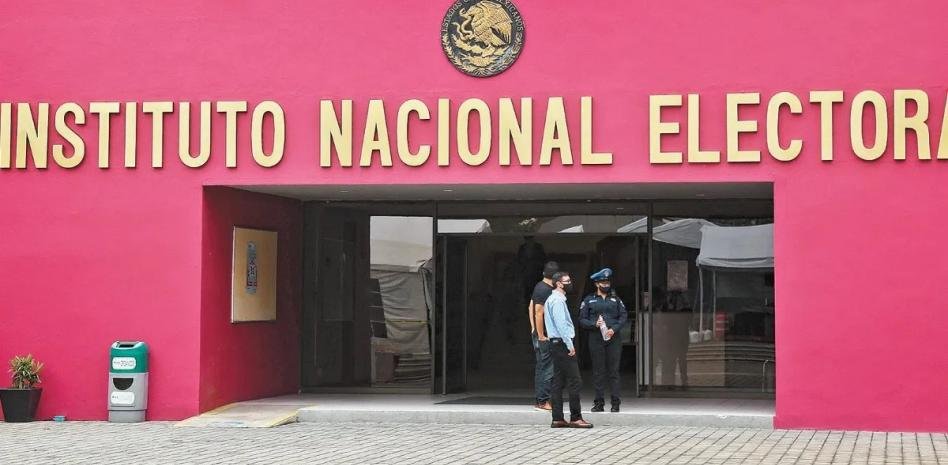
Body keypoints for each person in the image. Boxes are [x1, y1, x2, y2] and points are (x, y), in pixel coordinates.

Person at [544, 272, 593, 428]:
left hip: (555, 343)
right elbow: (561, 325)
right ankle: (575, 417)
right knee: (575, 380)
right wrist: (570, 345)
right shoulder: (558, 301)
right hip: (562, 343)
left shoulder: (551, 299)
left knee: (558, 381)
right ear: (559, 284)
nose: (570, 283)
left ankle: (557, 417)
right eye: (567, 281)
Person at [579, 267, 628, 413]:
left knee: (614, 372)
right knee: (598, 372)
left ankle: (615, 403)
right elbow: (582, 319)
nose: (606, 285)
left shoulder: (616, 299)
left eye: (607, 282)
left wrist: (614, 329)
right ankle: (599, 403)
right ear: (596, 284)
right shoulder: (589, 300)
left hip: (613, 338)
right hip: (596, 338)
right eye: (603, 283)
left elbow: (623, 316)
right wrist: (593, 324)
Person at [527, 261, 558, 411]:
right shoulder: (546, 290)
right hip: (544, 334)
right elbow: (539, 312)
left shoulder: (538, 286)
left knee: (541, 367)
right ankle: (543, 401)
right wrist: (540, 334)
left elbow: (530, 307)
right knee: (547, 368)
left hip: (538, 332)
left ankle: (540, 400)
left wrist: (533, 327)